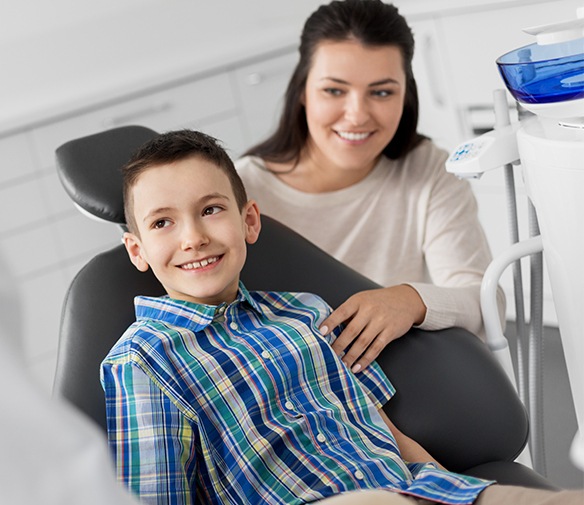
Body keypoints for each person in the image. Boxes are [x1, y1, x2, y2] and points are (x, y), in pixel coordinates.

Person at [101, 129, 581, 505]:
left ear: (249, 221)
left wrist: (453, 489)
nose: (193, 238)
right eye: (163, 222)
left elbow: (383, 432)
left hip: (417, 491)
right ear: (137, 249)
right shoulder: (143, 364)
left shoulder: (303, 313)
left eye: (210, 210)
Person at [235, 0, 506, 373]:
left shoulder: (427, 169)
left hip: (410, 375)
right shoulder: (242, 189)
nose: (358, 115)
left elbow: (485, 302)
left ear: (405, 95)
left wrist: (410, 300)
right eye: (334, 91)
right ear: (302, 91)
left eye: (381, 92)